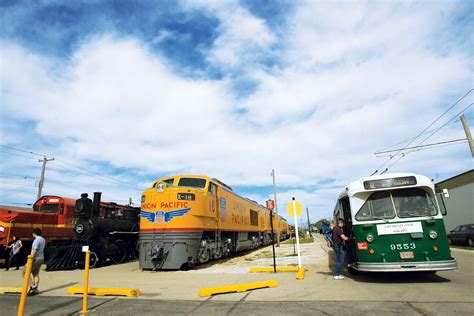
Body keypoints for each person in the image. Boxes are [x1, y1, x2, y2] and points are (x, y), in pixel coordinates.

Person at [26, 228, 46, 296]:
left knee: (25, 272)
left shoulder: (36, 240)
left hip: (36, 258)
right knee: (36, 273)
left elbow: (34, 250)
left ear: (34, 233)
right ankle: (36, 288)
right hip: (41, 258)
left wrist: (31, 258)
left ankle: (32, 287)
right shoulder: (43, 239)